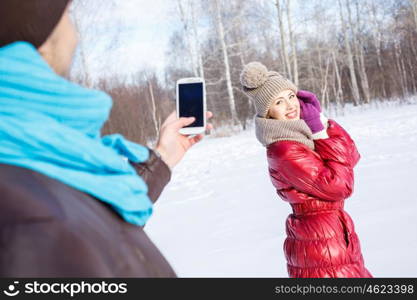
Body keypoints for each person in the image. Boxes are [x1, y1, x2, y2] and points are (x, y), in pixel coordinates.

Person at [0, 0, 212, 277]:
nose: (73, 29)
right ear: (42, 39)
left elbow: (89, 211)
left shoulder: (40, 152)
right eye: (68, 13)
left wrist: (163, 156)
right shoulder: (28, 224)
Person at [240, 62, 372, 278]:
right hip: (320, 245)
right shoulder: (285, 150)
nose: (290, 105)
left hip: (332, 233)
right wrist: (320, 135)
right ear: (268, 113)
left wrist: (322, 123)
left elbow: (351, 154)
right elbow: (340, 186)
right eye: (279, 102)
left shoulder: (301, 136)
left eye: (291, 97)